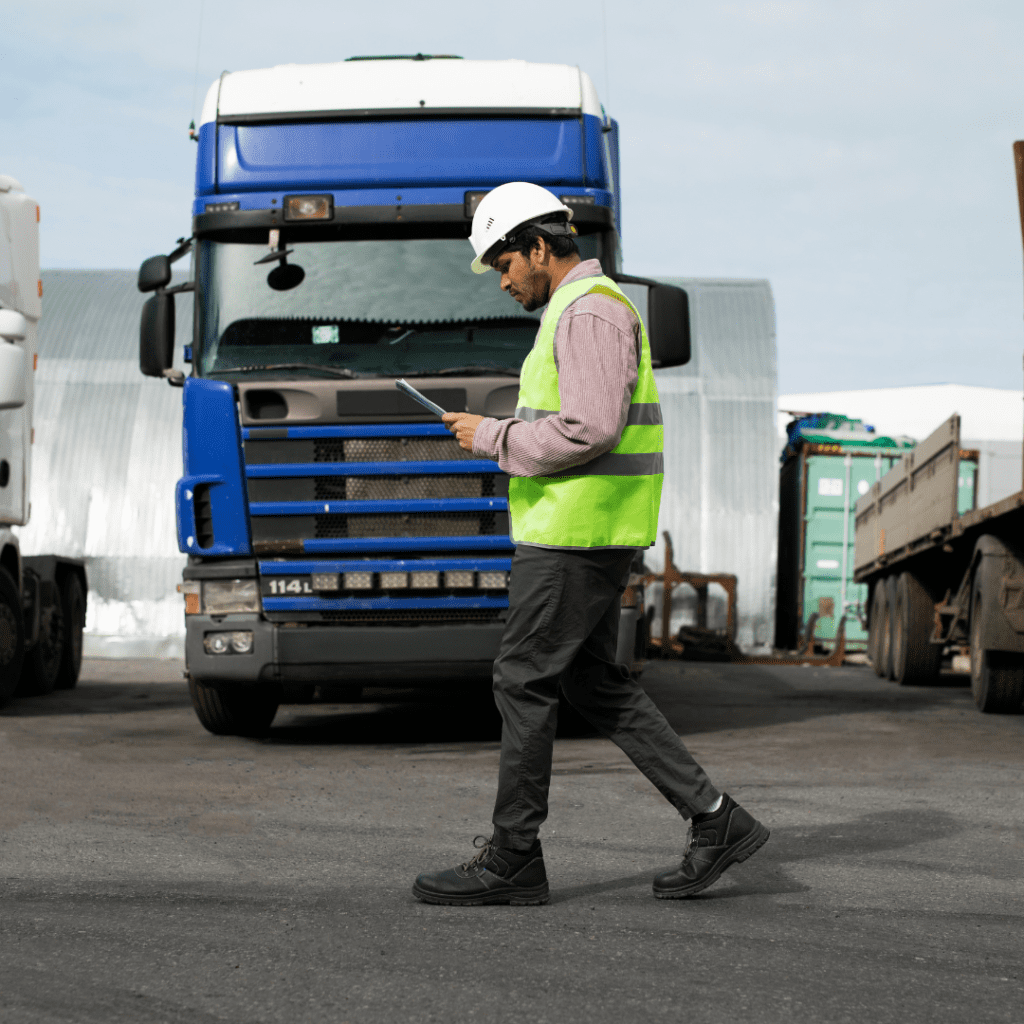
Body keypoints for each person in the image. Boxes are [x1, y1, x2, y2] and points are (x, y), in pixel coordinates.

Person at [412, 182, 768, 906]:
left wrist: (494, 437)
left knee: (522, 680)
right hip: (585, 530)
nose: (502, 278)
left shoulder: (590, 312)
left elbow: (591, 428)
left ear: (540, 247)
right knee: (591, 683)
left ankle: (514, 857)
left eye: (504, 262)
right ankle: (715, 818)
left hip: (576, 538)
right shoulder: (582, 312)